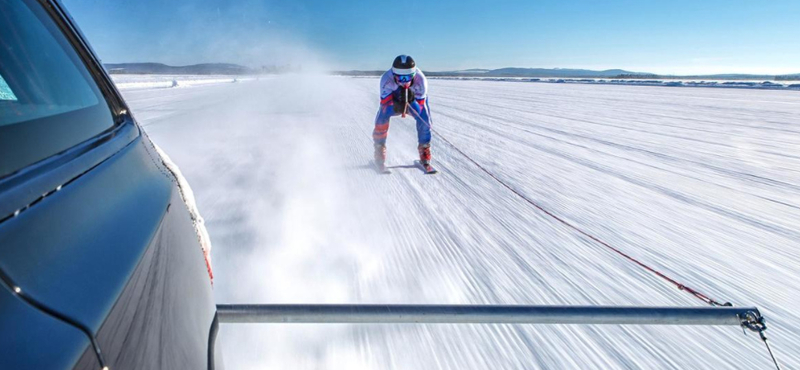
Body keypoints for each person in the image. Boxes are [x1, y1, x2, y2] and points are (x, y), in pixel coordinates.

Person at [373, 55, 432, 169]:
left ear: (414, 74)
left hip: (413, 102)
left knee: (424, 119)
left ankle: (424, 149)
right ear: (394, 75)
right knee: (382, 117)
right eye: (400, 78)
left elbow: (419, 108)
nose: (404, 81)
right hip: (392, 102)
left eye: (408, 77)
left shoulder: (421, 81)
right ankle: (379, 148)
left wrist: (412, 99)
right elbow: (385, 103)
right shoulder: (386, 79)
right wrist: (396, 99)